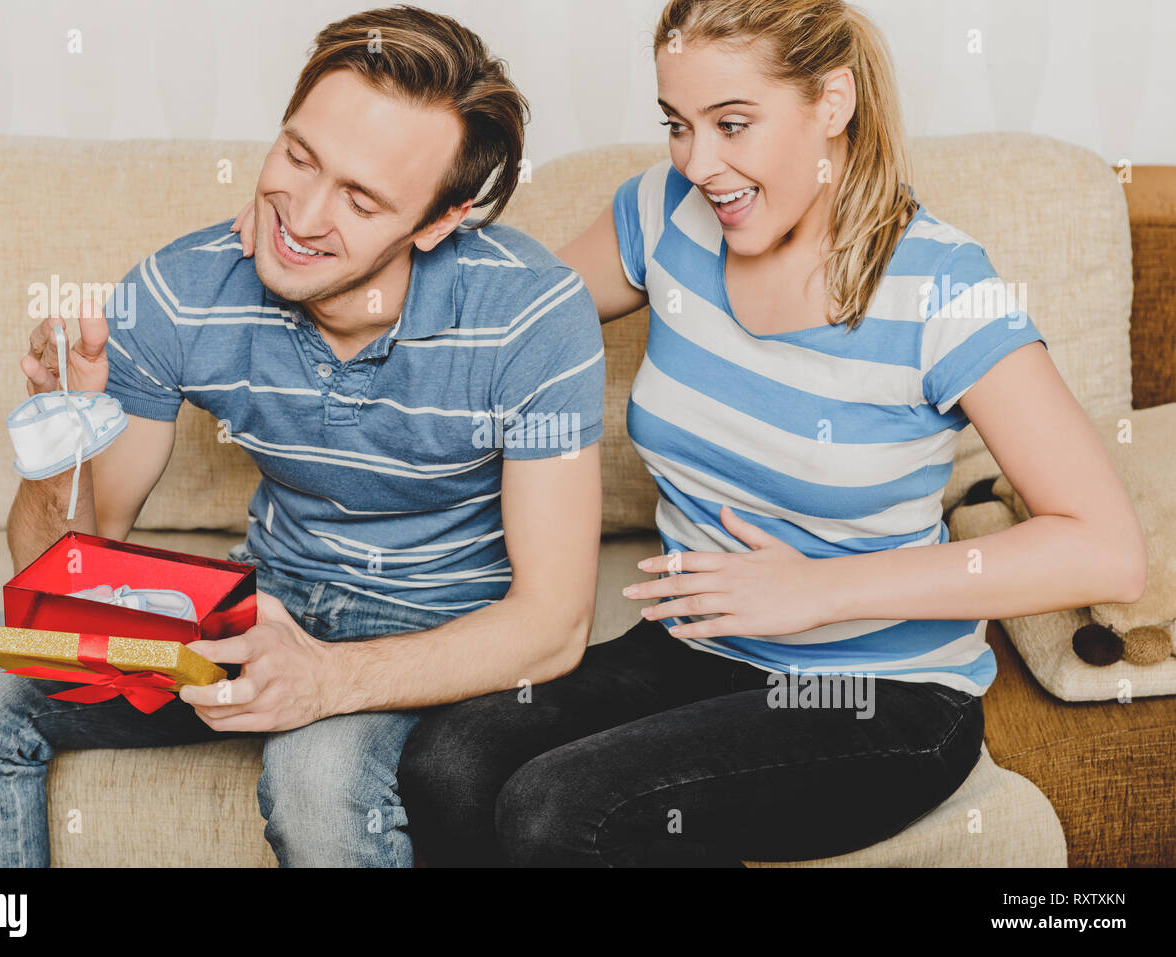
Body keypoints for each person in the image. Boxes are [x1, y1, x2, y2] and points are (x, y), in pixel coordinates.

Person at [386, 0, 1148, 866]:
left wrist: (819, 590)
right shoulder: (662, 213)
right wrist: (384, 227)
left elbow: (1106, 549)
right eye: (678, 124)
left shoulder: (941, 286)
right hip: (696, 649)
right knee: (449, 760)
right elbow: (507, 319)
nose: (700, 163)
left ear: (832, 103)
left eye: (733, 124)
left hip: (876, 692)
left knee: (557, 809)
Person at [0, 4, 605, 868]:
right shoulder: (184, 287)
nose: (301, 215)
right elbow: (62, 579)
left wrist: (326, 679)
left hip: (432, 626)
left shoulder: (532, 314)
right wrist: (64, 449)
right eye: (299, 157)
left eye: (360, 198)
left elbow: (553, 625)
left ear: (437, 221)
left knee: (316, 779)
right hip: (261, 601)